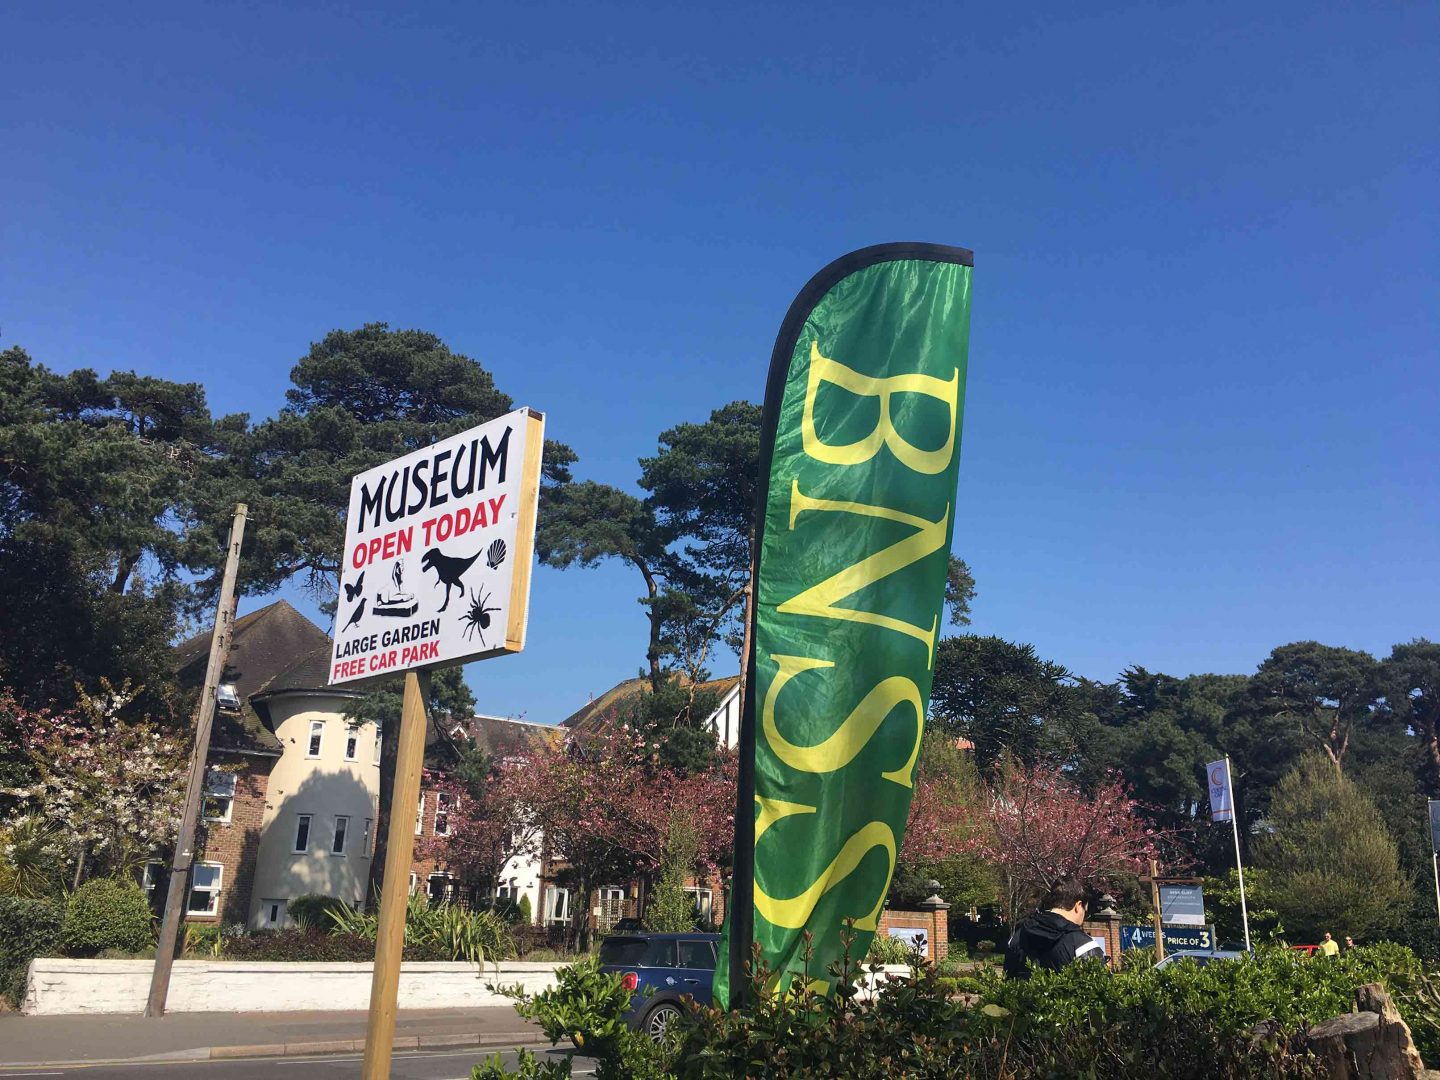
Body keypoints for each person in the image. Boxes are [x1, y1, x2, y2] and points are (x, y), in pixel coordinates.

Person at [1004, 878, 1106, 979]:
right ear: (1078, 906)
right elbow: (1102, 988)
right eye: (1085, 910)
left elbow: (1008, 980)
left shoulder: (1018, 936)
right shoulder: (1083, 944)